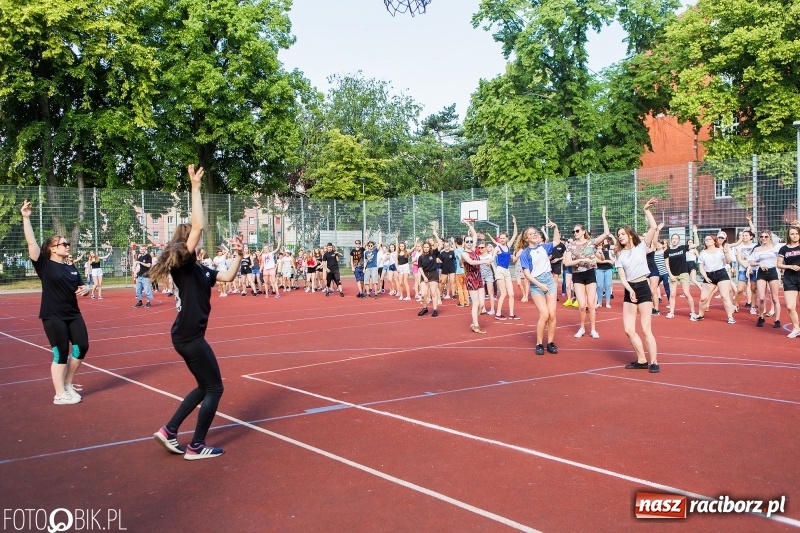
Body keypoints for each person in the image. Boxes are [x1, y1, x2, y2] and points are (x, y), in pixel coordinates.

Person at [150, 165, 241, 460]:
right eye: (194, 236)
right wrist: (196, 187)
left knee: (204, 386)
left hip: (188, 334)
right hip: (189, 336)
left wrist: (239, 255)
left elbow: (226, 279)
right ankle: (197, 445)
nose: (200, 237)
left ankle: (169, 430)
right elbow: (198, 225)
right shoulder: (185, 264)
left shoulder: (200, 269)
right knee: (215, 388)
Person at [21, 199, 91, 405]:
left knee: (82, 347)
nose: (67, 246)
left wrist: (85, 289)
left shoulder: (71, 268)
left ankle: (68, 384)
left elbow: (80, 288)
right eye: (63, 244)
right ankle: (59, 394)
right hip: (53, 315)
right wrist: (26, 218)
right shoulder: (44, 265)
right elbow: (32, 243)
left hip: (73, 314)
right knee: (60, 353)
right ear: (52, 248)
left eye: (68, 243)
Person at [615, 198, 660, 373]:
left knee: (646, 328)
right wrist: (629, 290)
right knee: (628, 329)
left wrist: (646, 210)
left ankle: (654, 361)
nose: (620, 237)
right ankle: (641, 359)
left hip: (643, 287)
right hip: (630, 290)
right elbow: (622, 278)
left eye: (623, 234)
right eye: (618, 235)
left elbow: (653, 228)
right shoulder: (619, 254)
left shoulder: (641, 246)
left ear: (630, 235)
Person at [563, 208, 610, 338]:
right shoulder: (570, 245)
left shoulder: (591, 243)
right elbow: (567, 263)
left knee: (591, 304)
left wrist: (603, 216)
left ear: (583, 231)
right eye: (574, 231)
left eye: (577, 231)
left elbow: (606, 233)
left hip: (590, 273)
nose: (575, 233)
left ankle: (593, 329)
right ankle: (582, 328)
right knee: (582, 305)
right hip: (577, 275)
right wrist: (580, 259)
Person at [518, 221, 561, 355]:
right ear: (526, 238)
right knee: (544, 314)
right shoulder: (525, 253)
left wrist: (555, 227)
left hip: (548, 280)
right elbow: (526, 274)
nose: (535, 235)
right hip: (537, 284)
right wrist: (540, 285)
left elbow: (557, 241)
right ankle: (539, 343)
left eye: (536, 232)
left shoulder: (544, 247)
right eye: (531, 234)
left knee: (552, 314)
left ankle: (550, 342)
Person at [693, 225, 736, 324]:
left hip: (721, 274)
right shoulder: (703, 253)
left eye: (709, 239)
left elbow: (728, 261)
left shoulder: (720, 250)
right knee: (703, 298)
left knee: (725, 296)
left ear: (714, 241)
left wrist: (726, 253)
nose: (707, 241)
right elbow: (701, 267)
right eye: (706, 240)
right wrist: (705, 277)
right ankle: (700, 315)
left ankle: (730, 317)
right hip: (709, 275)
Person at [749, 230, 782, 329]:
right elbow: (751, 262)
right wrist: (759, 264)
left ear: (770, 237)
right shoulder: (757, 249)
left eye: (766, 236)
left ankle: (777, 320)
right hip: (761, 273)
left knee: (775, 298)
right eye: (762, 236)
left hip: (772, 272)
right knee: (762, 298)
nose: (764, 238)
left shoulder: (776, 248)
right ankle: (761, 317)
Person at [663, 232, 699, 320]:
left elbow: (697, 244)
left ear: (679, 240)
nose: (674, 240)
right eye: (673, 239)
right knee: (672, 294)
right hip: (673, 275)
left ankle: (693, 312)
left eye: (676, 239)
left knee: (687, 294)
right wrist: (670, 275)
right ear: (671, 240)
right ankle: (671, 312)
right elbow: (667, 265)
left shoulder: (683, 248)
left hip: (683, 273)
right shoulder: (667, 251)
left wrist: (695, 232)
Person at [490, 216, 519, 320]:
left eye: (504, 238)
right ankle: (498, 313)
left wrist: (514, 223)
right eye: (501, 238)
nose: (502, 239)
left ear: (506, 238)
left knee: (511, 294)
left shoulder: (508, 246)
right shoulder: (497, 248)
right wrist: (490, 263)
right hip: (500, 271)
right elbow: (492, 259)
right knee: (503, 293)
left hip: (507, 272)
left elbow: (515, 234)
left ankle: (511, 314)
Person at [777, 222, 800, 338]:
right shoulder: (784, 249)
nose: (795, 236)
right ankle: (796, 328)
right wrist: (790, 266)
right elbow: (779, 264)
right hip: (789, 278)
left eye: (797, 233)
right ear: (788, 235)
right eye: (792, 234)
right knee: (790, 306)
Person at [417, 241, 441, 317]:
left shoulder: (433, 253)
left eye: (427, 247)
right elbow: (420, 268)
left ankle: (435, 310)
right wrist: (424, 276)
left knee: (433, 293)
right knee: (423, 294)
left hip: (433, 274)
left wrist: (435, 235)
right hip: (424, 275)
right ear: (423, 248)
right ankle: (425, 308)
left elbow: (440, 245)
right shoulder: (421, 257)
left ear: (429, 248)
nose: (426, 248)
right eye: (425, 247)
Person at [594, 237, 615, 308]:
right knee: (599, 286)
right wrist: (608, 261)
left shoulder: (607, 246)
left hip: (608, 268)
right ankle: (599, 302)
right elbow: (598, 260)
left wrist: (612, 236)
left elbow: (616, 245)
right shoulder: (594, 250)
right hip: (599, 269)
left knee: (608, 285)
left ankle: (607, 302)